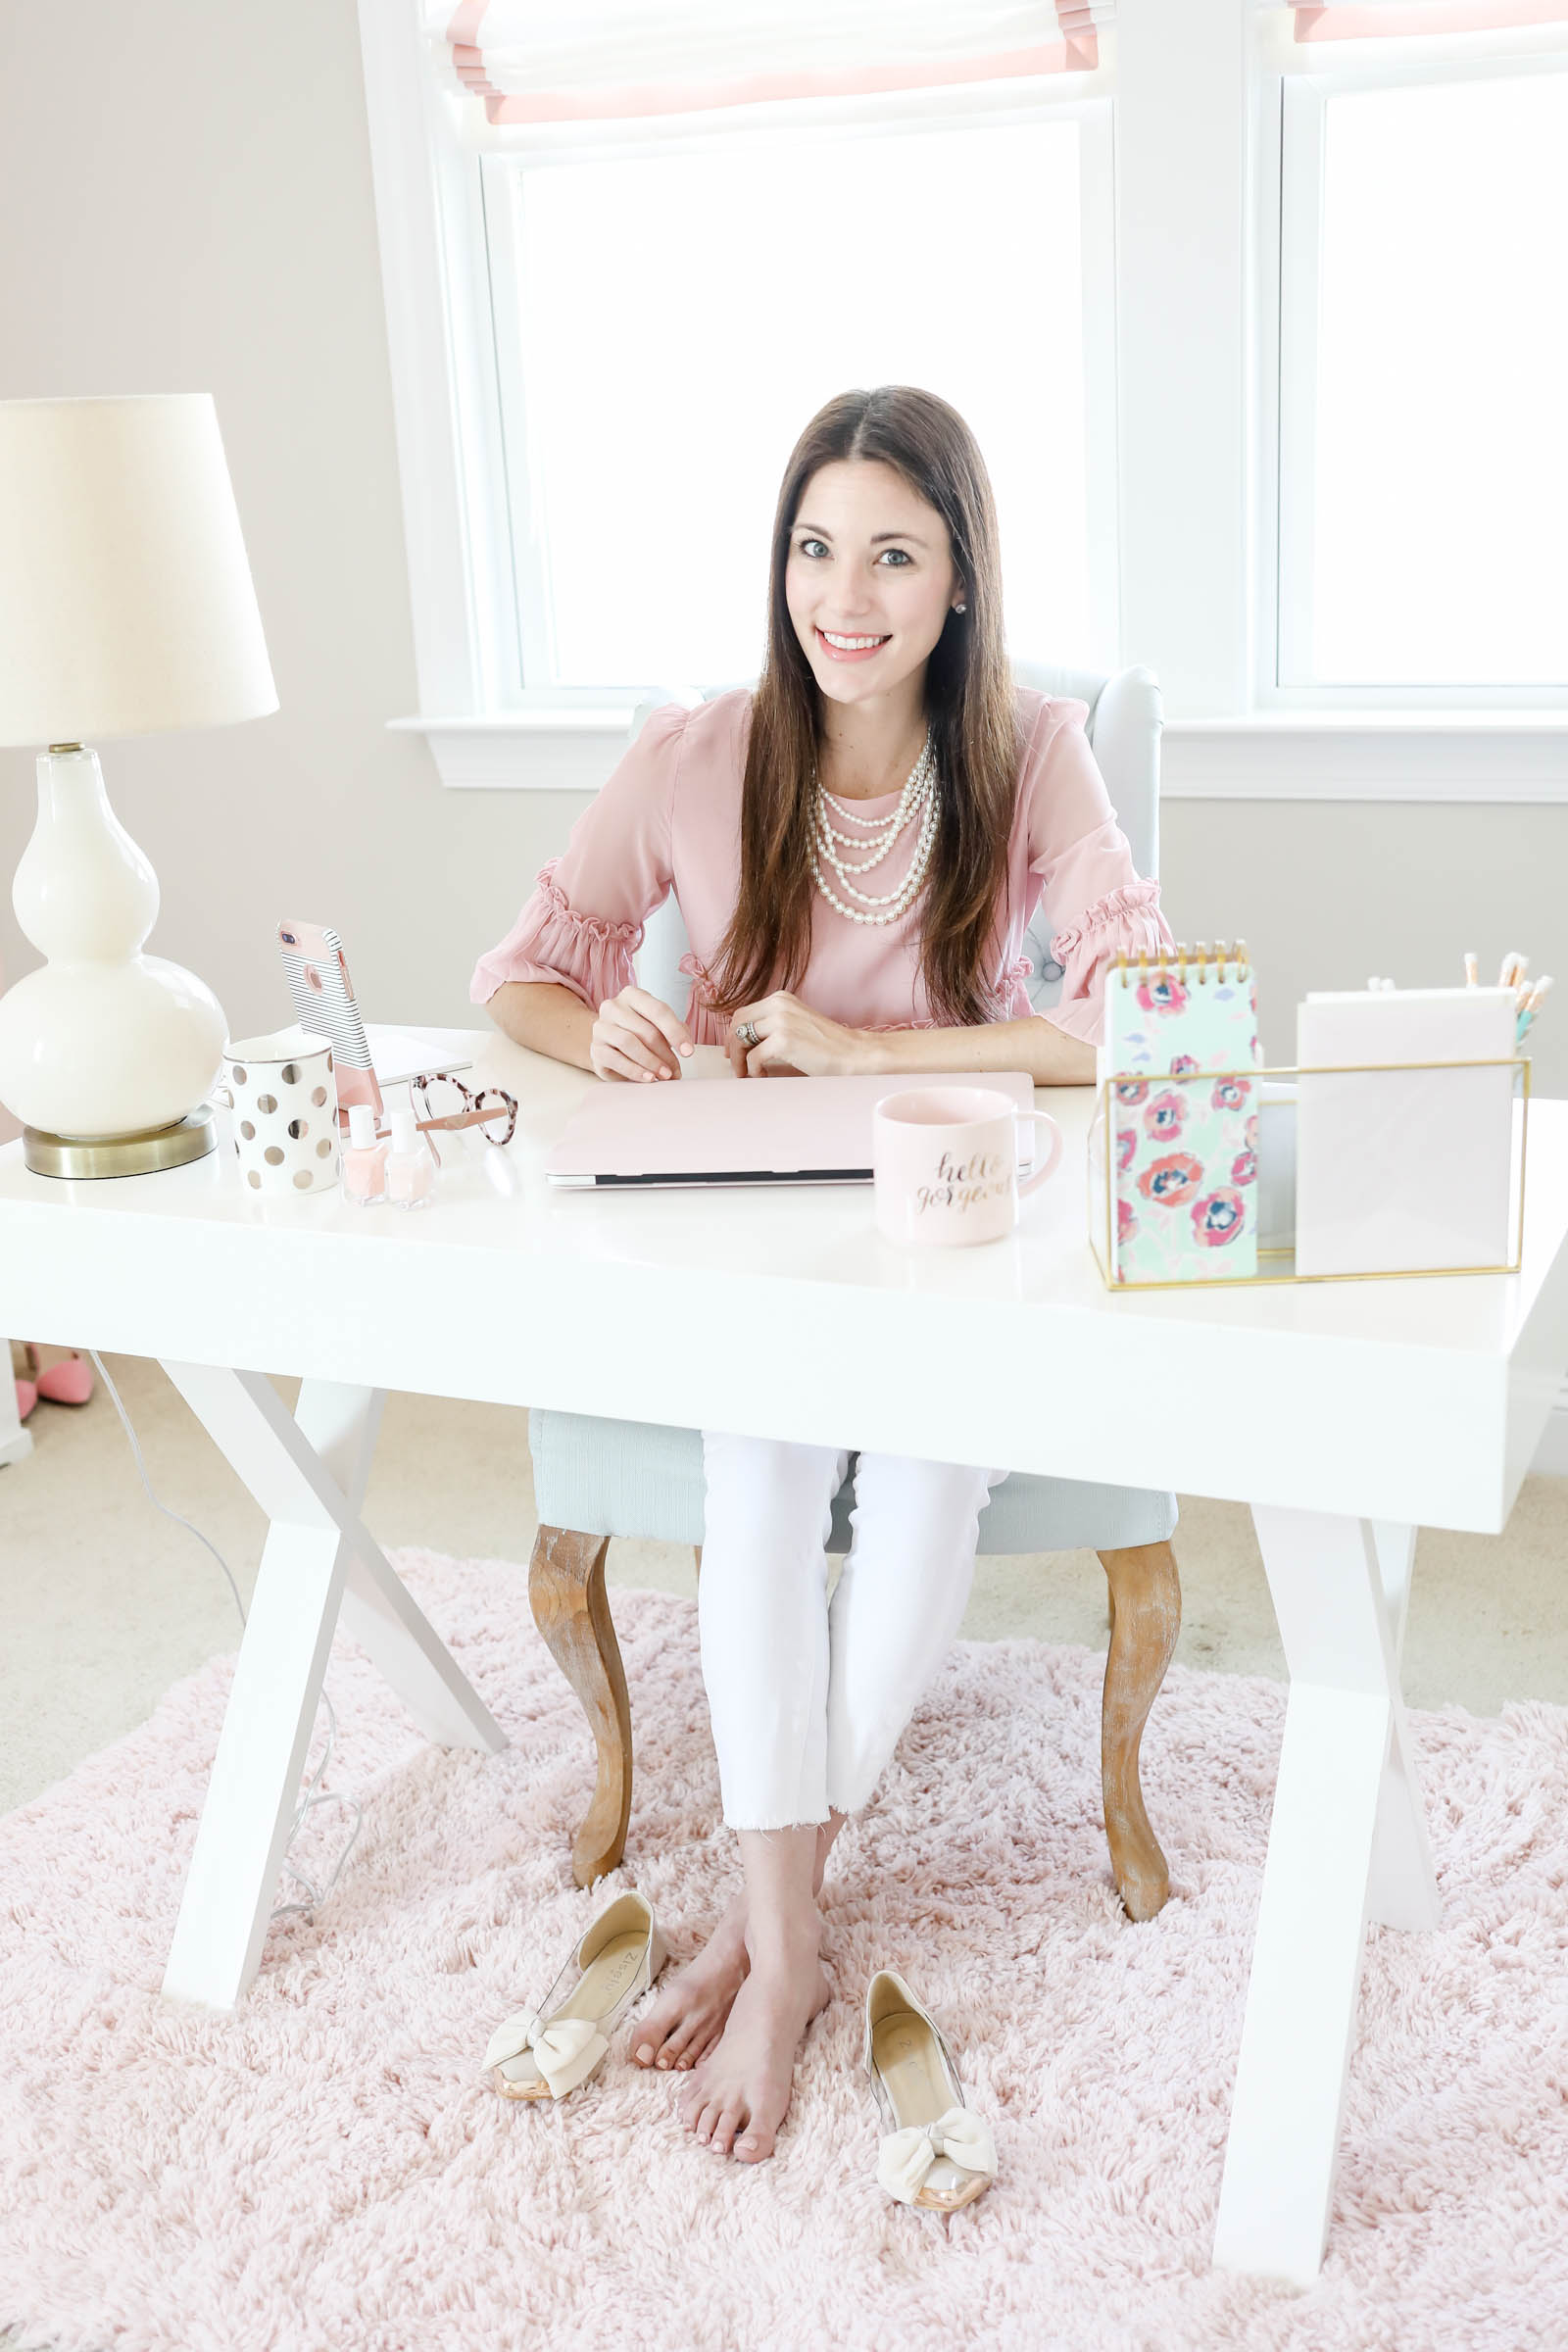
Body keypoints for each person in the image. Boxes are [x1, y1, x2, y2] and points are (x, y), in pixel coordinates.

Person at [471, 384, 1173, 2167]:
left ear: (958, 581)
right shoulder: (696, 753)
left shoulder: (1033, 749)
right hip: (750, 1252)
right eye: (813, 546)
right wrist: (620, 1032)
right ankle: (787, 1956)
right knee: (762, 1501)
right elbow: (518, 977)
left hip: (951, 1249)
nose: (842, 593)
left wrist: (869, 1063)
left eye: (892, 552)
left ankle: (758, 1934)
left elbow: (1128, 1021)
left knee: (927, 1506)